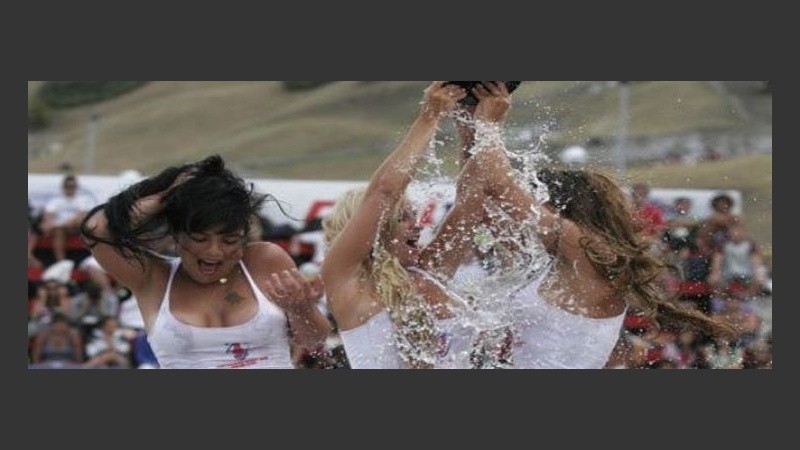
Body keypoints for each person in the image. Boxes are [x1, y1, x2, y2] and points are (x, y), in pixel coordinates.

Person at [428, 82, 735, 369]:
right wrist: (466, 121)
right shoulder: (552, 262)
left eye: (538, 199)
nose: (528, 208)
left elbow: (499, 187)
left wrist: (489, 125)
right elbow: (477, 197)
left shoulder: (588, 252)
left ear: (564, 210)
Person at [80, 155, 332, 369]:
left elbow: (314, 342)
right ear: (177, 235)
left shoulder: (264, 259)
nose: (214, 252)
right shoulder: (153, 277)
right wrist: (165, 196)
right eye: (200, 238)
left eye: (229, 240)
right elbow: (96, 228)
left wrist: (301, 309)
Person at [321, 81, 477, 369]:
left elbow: (472, 201)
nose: (417, 225)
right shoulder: (349, 280)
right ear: (374, 227)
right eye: (403, 217)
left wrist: (473, 121)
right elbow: (384, 192)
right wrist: (429, 116)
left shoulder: (428, 271)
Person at [39, 175, 96, 264]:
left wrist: (57, 224)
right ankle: (61, 263)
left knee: (78, 221)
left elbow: (83, 216)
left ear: (76, 187)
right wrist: (50, 224)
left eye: (72, 186)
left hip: (77, 227)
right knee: (58, 230)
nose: (70, 188)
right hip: (61, 229)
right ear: (63, 187)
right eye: (68, 186)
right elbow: (48, 216)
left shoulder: (83, 200)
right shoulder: (55, 201)